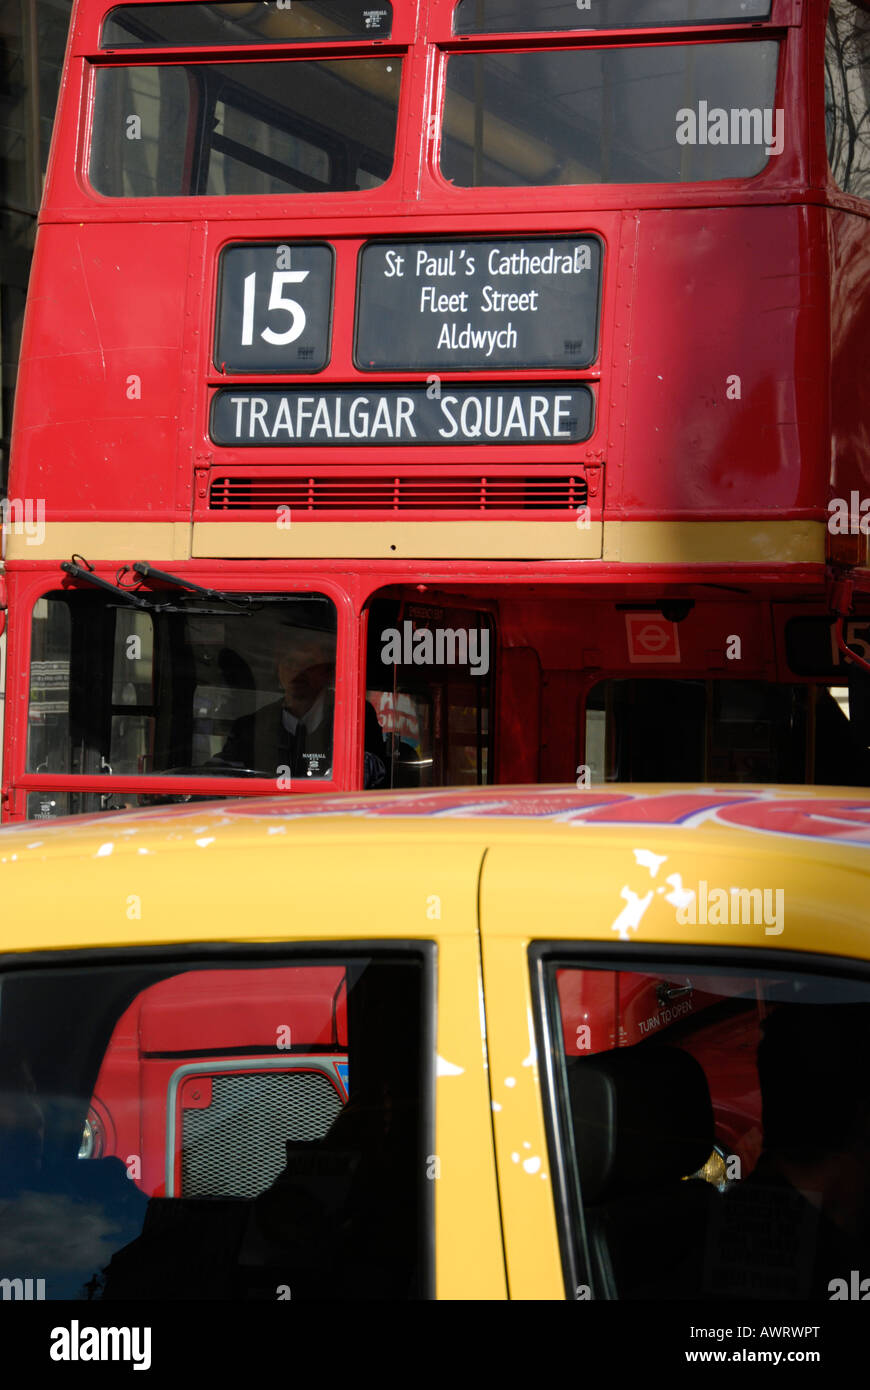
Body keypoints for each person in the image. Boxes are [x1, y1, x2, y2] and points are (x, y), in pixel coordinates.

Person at [215, 626, 387, 788]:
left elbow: (376, 773)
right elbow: (220, 773)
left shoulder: (355, 714)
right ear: (279, 669)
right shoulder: (249, 726)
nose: (297, 671)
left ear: (329, 672)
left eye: (309, 665)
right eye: (290, 662)